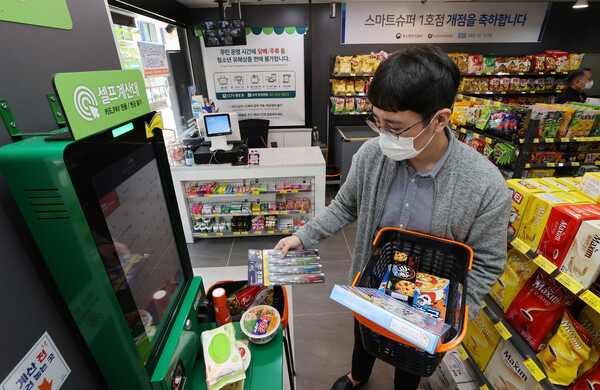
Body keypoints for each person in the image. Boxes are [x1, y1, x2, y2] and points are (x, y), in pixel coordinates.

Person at [275, 45, 511, 390]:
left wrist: (452, 319)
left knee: (410, 365)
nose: (382, 134)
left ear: (440, 119)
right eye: (377, 121)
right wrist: (302, 236)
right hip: (370, 284)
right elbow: (344, 206)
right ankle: (358, 375)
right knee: (363, 335)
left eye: (394, 126)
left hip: (426, 308)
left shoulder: (486, 186)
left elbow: (489, 263)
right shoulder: (372, 156)